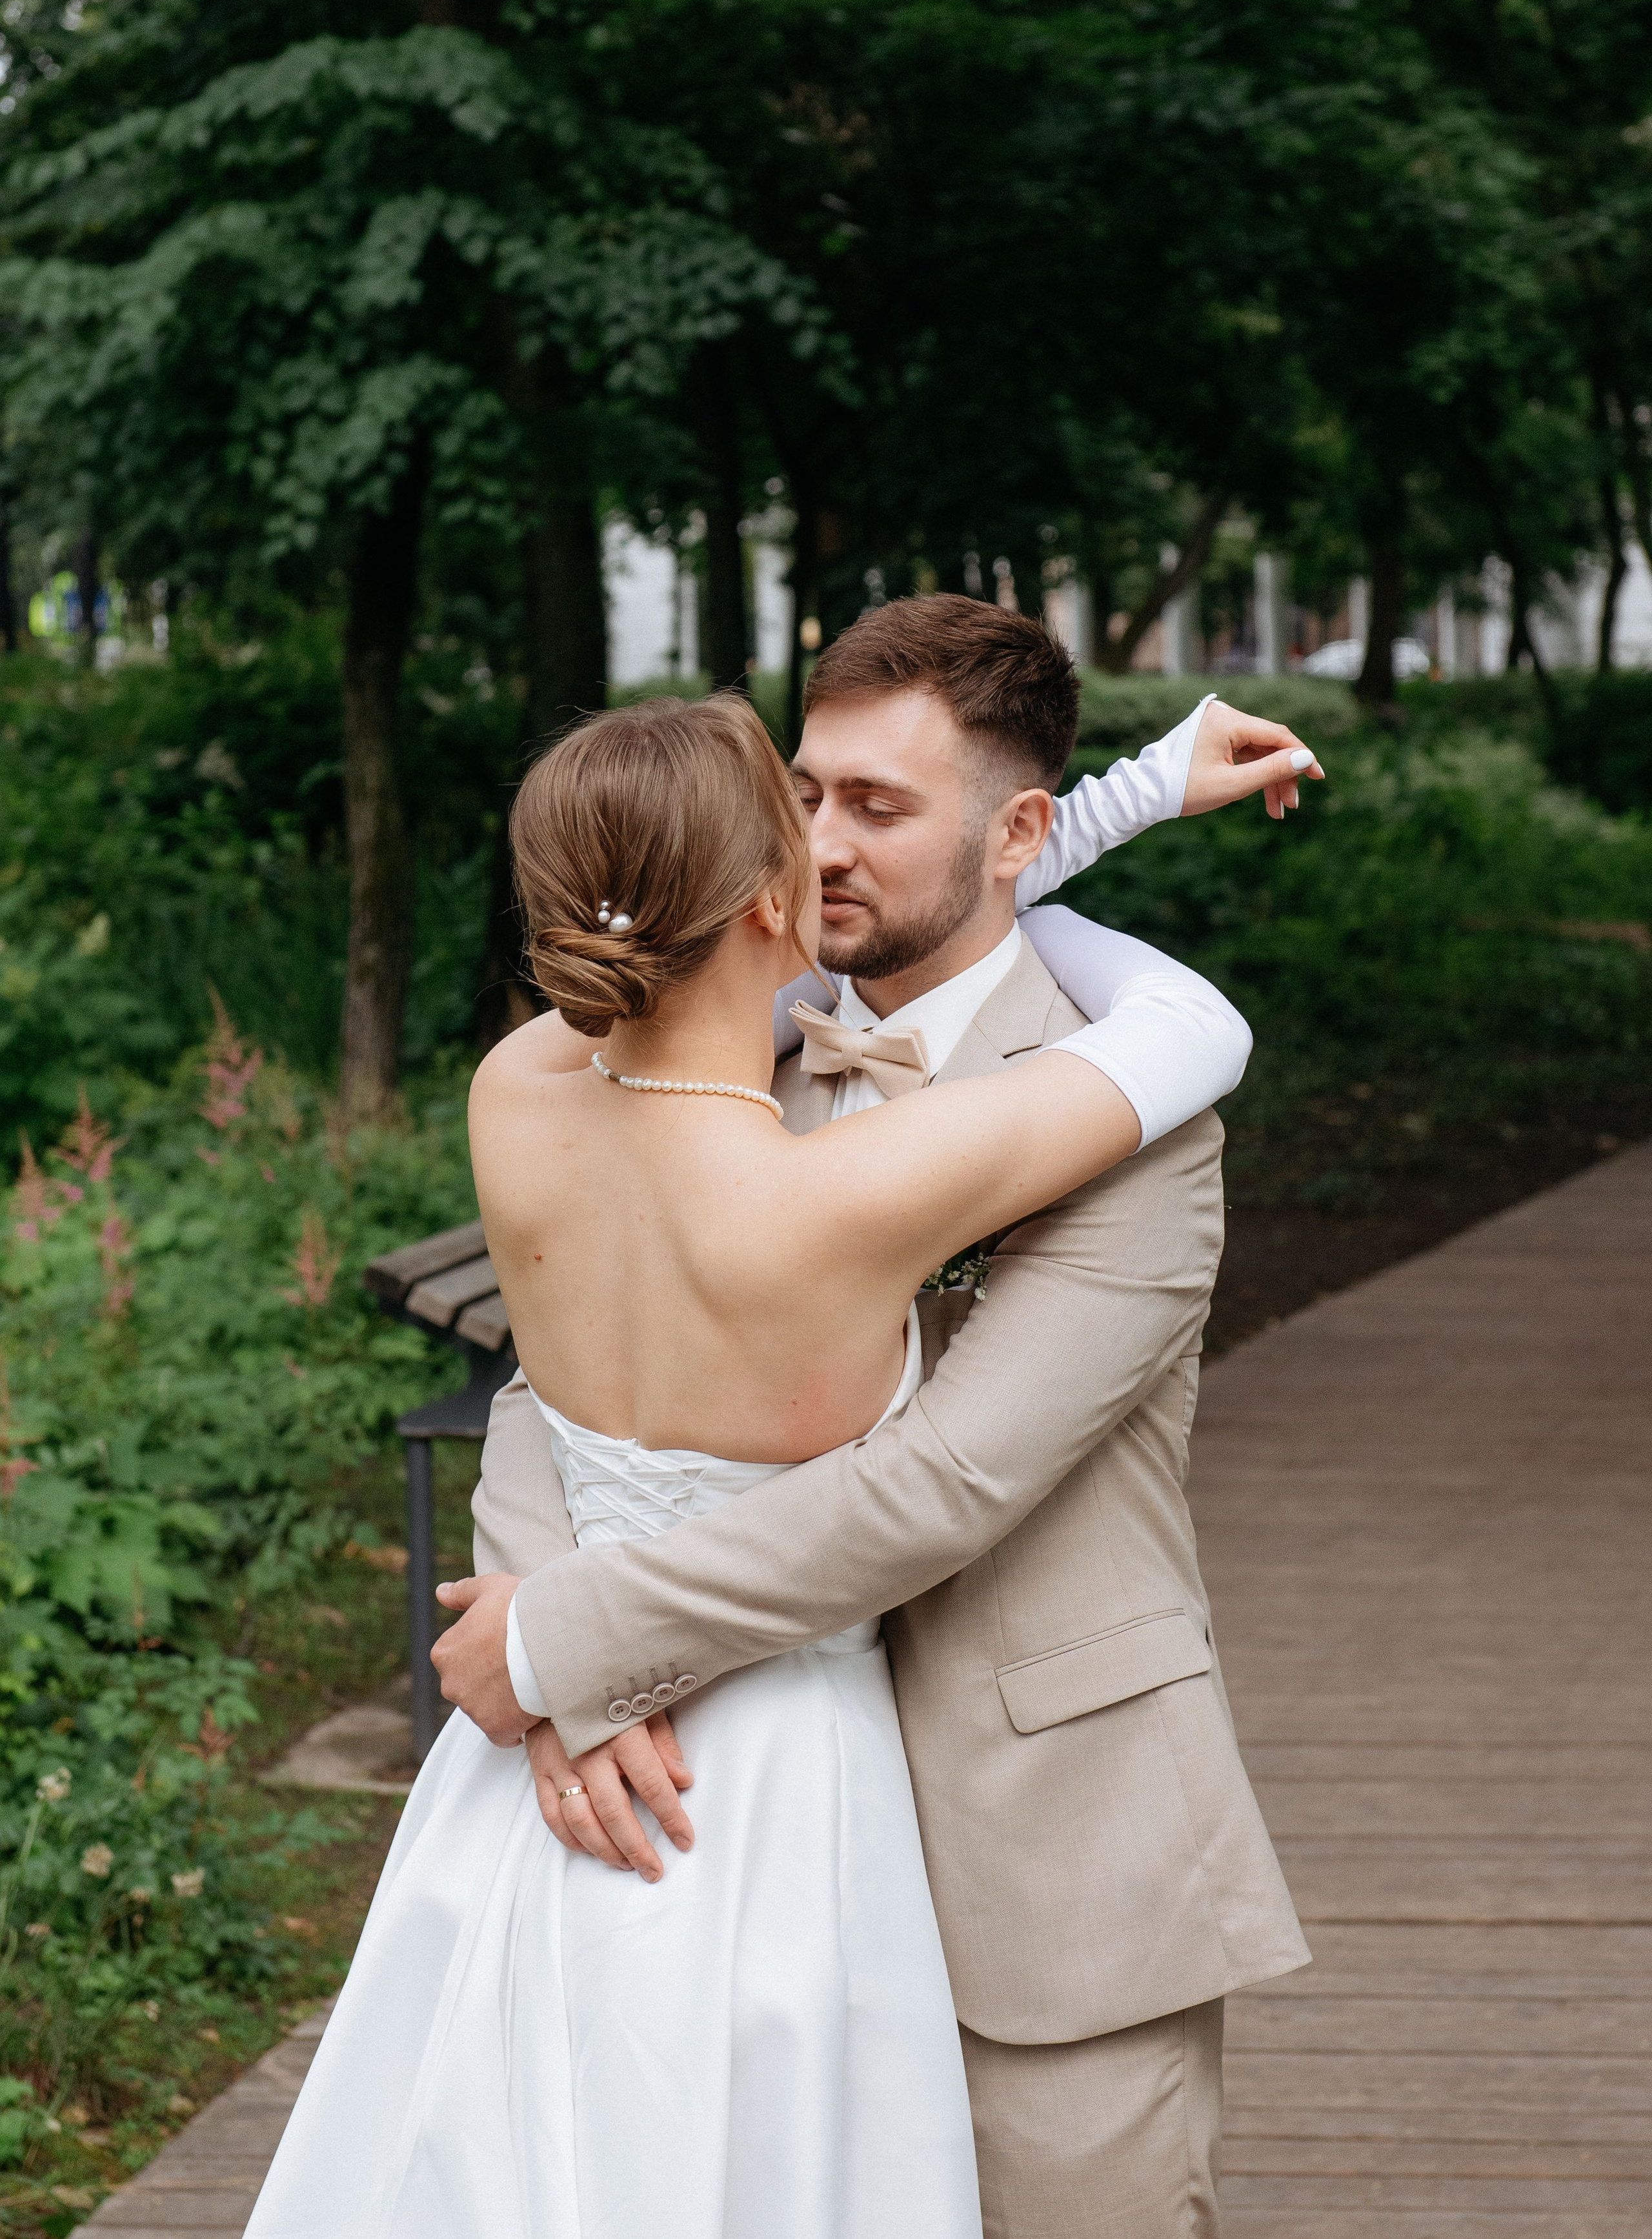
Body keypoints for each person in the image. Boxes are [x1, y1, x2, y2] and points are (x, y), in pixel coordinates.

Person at [249, 604, 1311, 2239]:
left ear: (1014, 830)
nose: (819, 850)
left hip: (1044, 1870)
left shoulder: (1134, 1119)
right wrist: (573, 1651)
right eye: (802, 795)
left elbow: (942, 1476)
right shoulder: (736, 1041)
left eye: (876, 809)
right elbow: (555, 1381)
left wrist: (571, 1641)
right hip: (710, 1830)